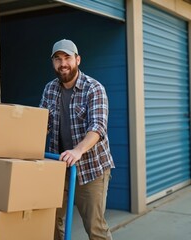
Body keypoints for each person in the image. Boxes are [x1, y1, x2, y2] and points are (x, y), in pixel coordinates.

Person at [39, 39, 115, 240]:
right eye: (58, 59)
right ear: (53, 63)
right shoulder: (50, 89)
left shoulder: (94, 88)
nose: (63, 63)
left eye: (67, 58)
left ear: (78, 60)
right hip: (59, 166)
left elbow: (98, 127)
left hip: (91, 168)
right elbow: (41, 124)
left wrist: (78, 151)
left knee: (95, 227)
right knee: (50, 221)